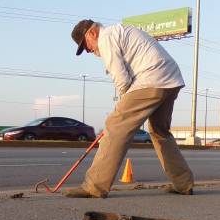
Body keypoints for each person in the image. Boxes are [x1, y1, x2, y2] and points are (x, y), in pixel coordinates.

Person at [63, 19, 194, 198]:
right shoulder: (119, 32)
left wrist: (122, 107)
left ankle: (94, 186)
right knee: (160, 131)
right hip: (171, 79)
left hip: (152, 78)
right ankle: (183, 184)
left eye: (85, 45)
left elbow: (121, 78)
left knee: (115, 125)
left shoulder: (106, 37)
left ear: (92, 33)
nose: (88, 50)